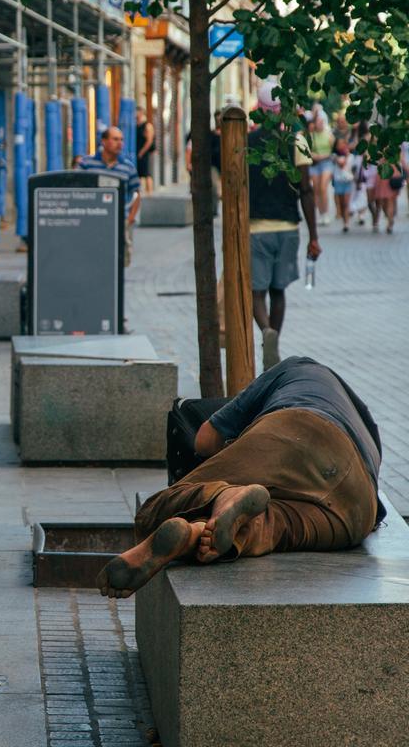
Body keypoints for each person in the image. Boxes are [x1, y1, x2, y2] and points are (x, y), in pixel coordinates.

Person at [98, 356, 384, 599]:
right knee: (271, 526)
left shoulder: (293, 367)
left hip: (300, 429)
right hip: (357, 505)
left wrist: (232, 448)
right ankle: (194, 534)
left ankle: (224, 494)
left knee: (157, 510)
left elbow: (205, 439)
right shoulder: (364, 419)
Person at [247, 81, 320, 372]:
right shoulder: (297, 141)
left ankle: (266, 333)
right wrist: (314, 235)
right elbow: (306, 189)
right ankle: (272, 347)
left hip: (255, 229)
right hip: (288, 227)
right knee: (279, 291)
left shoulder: (247, 142)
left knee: (257, 293)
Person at [77, 127, 141, 265]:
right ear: (104, 141)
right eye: (115, 139)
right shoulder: (87, 164)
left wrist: (129, 220)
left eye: (121, 140)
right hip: (92, 222)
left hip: (119, 222)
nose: (120, 143)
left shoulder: (128, 167)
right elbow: (75, 189)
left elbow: (136, 194)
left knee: (119, 263)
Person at [307, 111, 335, 224]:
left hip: (326, 162)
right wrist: (313, 155)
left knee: (323, 187)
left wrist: (323, 156)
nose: (320, 124)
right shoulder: (310, 135)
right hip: (314, 164)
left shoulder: (328, 134)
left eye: (322, 122)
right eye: (318, 122)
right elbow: (307, 150)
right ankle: (321, 213)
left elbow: (335, 151)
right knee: (316, 189)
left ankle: (326, 213)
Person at [331, 138, 357, 233]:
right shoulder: (334, 156)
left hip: (348, 181)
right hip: (338, 181)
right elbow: (341, 164)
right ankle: (343, 220)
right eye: (339, 144)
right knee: (341, 203)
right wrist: (346, 156)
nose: (342, 146)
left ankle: (346, 223)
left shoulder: (351, 156)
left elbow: (354, 168)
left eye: (343, 143)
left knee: (346, 203)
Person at [135, 109, 156, 195]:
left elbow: (149, 141)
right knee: (139, 172)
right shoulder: (136, 125)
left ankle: (149, 192)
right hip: (138, 151)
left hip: (144, 153)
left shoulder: (147, 126)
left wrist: (142, 152)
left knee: (146, 172)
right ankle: (139, 191)